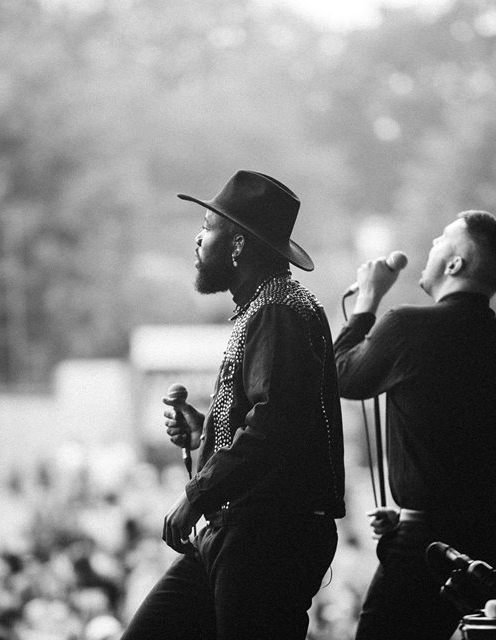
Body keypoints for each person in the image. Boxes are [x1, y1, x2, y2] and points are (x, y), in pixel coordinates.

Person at [121, 170, 346, 640]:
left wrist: (194, 494)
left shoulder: (277, 310)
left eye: (207, 226)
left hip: (267, 538)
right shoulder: (267, 306)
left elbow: (273, 424)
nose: (198, 239)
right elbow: (270, 421)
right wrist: (206, 434)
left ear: (238, 245)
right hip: (238, 532)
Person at [334, 210, 496, 640]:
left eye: (440, 240)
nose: (431, 244)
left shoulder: (408, 327)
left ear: (455, 264)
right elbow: (474, 457)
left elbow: (341, 375)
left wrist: (366, 303)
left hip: (431, 548)